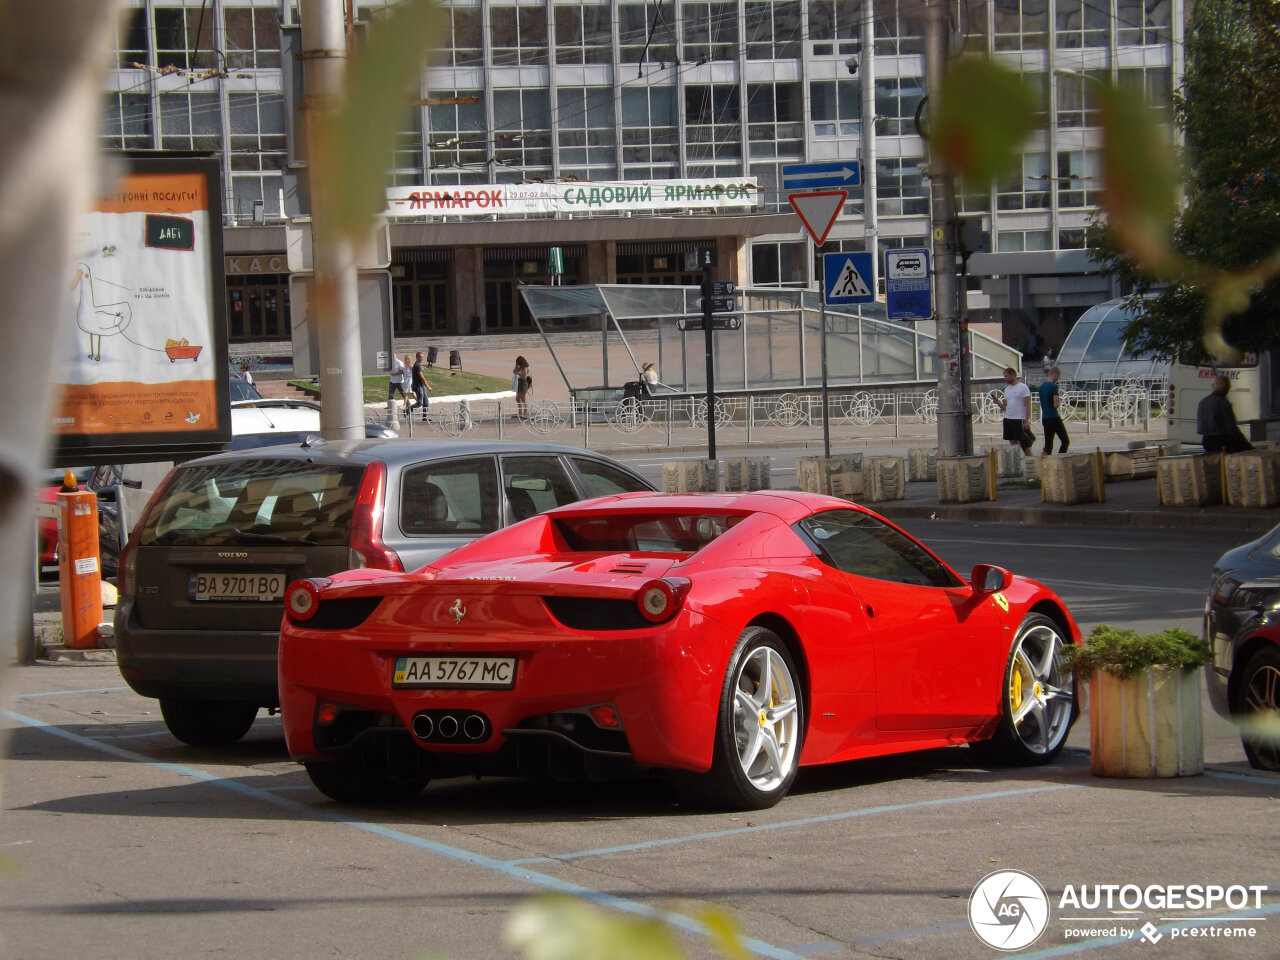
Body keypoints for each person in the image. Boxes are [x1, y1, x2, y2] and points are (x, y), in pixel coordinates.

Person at [1197, 375, 1254, 453]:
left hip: (1206, 441)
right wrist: (1247, 445)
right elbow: (1231, 428)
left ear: (1214, 386)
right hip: (1222, 442)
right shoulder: (1223, 403)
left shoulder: (1203, 401)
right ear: (1227, 388)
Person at [994, 366, 1034, 454]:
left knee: (1023, 444)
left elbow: (1027, 404)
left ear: (1013, 375)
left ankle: (1029, 460)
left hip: (1019, 419)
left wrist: (1027, 420)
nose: (1005, 378)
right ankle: (1017, 462)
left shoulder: (1023, 387)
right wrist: (998, 402)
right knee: (1013, 443)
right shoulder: (1007, 389)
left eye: (1006, 376)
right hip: (1008, 419)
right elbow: (1004, 407)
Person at [1038, 365, 1069, 455]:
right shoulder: (1054, 386)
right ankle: (1060, 459)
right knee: (1065, 441)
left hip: (1045, 417)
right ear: (1055, 374)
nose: (1057, 379)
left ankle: (1045, 462)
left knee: (1048, 444)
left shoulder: (1041, 387)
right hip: (1054, 417)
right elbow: (1055, 404)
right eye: (1058, 377)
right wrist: (1059, 402)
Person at [411, 351, 432, 421]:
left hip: (421, 386)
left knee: (426, 402)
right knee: (420, 403)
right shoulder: (417, 365)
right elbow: (422, 377)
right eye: (421, 357)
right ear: (417, 357)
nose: (422, 358)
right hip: (418, 386)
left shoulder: (417, 365)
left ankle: (424, 417)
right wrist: (428, 386)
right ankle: (408, 410)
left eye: (423, 357)